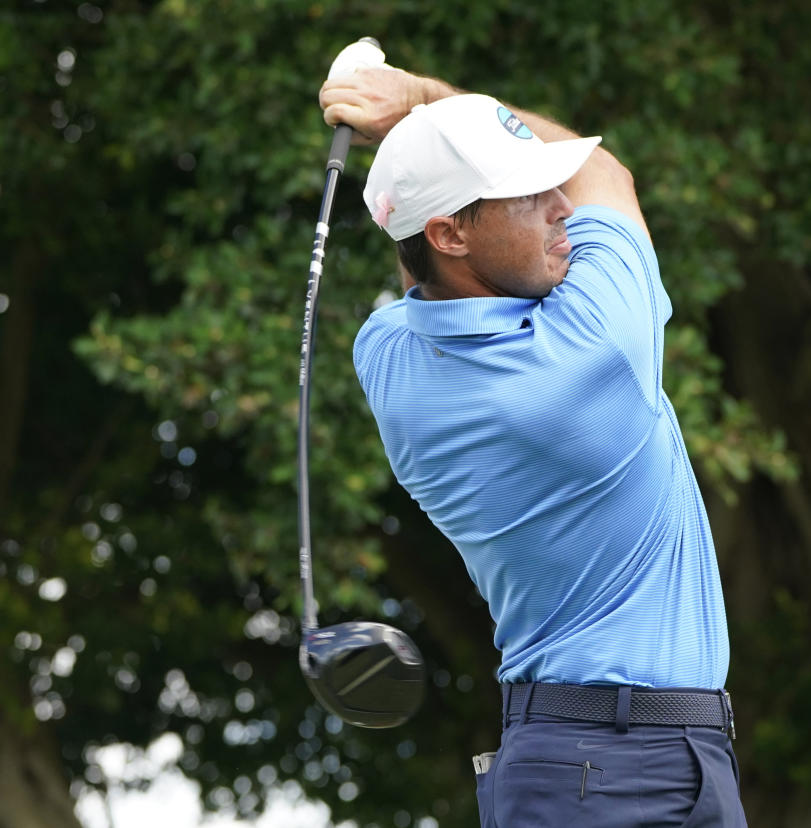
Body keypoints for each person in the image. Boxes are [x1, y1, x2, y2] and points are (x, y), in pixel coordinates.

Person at [320, 66, 747, 827]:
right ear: (451, 232)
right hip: (627, 767)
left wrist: (420, 154)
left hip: (570, 761)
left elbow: (424, 269)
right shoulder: (594, 349)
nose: (562, 209)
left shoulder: (386, 357)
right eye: (528, 195)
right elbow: (605, 175)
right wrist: (418, 100)